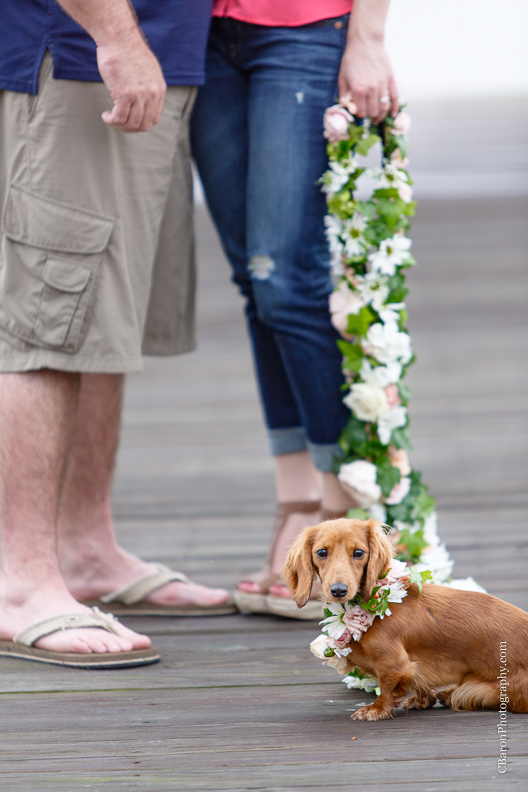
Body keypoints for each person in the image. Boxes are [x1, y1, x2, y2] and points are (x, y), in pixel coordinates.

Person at [0, 0, 233, 669]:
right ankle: (21, 584)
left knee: (100, 317)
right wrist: (113, 36)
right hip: (82, 55)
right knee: (48, 319)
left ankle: (85, 548)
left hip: (152, 51)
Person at [191, 0, 398, 617]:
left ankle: (339, 516)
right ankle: (296, 503)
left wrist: (368, 37)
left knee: (287, 282)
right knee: (256, 283)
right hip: (195, 36)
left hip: (304, 28)